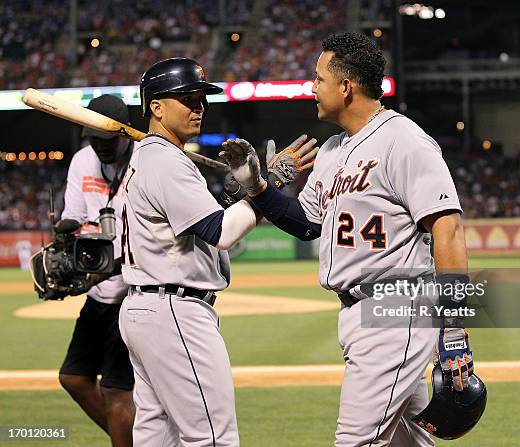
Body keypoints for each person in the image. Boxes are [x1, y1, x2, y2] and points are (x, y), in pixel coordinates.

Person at [222, 32, 476, 446]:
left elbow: (448, 230)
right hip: (362, 314)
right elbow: (307, 222)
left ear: (346, 87)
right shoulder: (332, 151)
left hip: (395, 309)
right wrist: (259, 189)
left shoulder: (404, 140)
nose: (312, 87)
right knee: (407, 441)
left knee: (355, 440)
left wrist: (454, 330)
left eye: (318, 78)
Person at [118, 57, 317, 446]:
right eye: (187, 99)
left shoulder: (152, 157)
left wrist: (247, 190)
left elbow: (204, 223)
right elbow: (221, 231)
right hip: (174, 310)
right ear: (155, 107)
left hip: (150, 308)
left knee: (155, 438)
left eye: (201, 99)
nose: (199, 107)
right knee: (212, 437)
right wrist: (265, 185)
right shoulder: (164, 160)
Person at [59, 94, 135, 447]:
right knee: (73, 377)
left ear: (124, 133)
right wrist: (67, 250)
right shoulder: (82, 160)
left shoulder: (143, 163)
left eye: (108, 140)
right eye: (94, 139)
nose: (101, 148)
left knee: (117, 389)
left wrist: (113, 265)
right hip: (97, 291)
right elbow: (71, 218)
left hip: (133, 291)